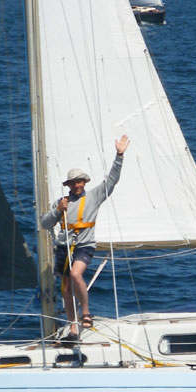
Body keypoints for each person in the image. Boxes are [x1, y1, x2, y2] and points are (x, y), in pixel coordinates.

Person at [41, 135, 129, 342]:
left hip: (84, 245)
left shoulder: (94, 196)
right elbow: (45, 224)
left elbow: (112, 181)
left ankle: (86, 312)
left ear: (84, 182)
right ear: (69, 185)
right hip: (64, 247)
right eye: (73, 183)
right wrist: (57, 210)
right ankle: (73, 328)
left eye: (79, 181)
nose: (77, 185)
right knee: (66, 289)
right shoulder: (61, 202)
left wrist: (119, 156)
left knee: (75, 274)